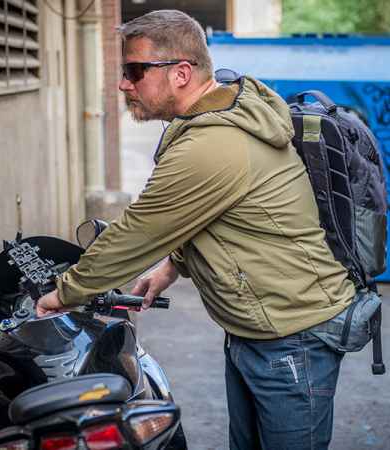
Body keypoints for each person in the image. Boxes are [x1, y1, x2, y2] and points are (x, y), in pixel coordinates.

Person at [37, 9, 355, 450]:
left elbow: (137, 232)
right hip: (258, 330)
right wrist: (173, 266)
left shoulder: (212, 143)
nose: (124, 84)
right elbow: (213, 214)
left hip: (291, 337)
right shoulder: (212, 118)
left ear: (181, 73)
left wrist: (62, 294)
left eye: (135, 71)